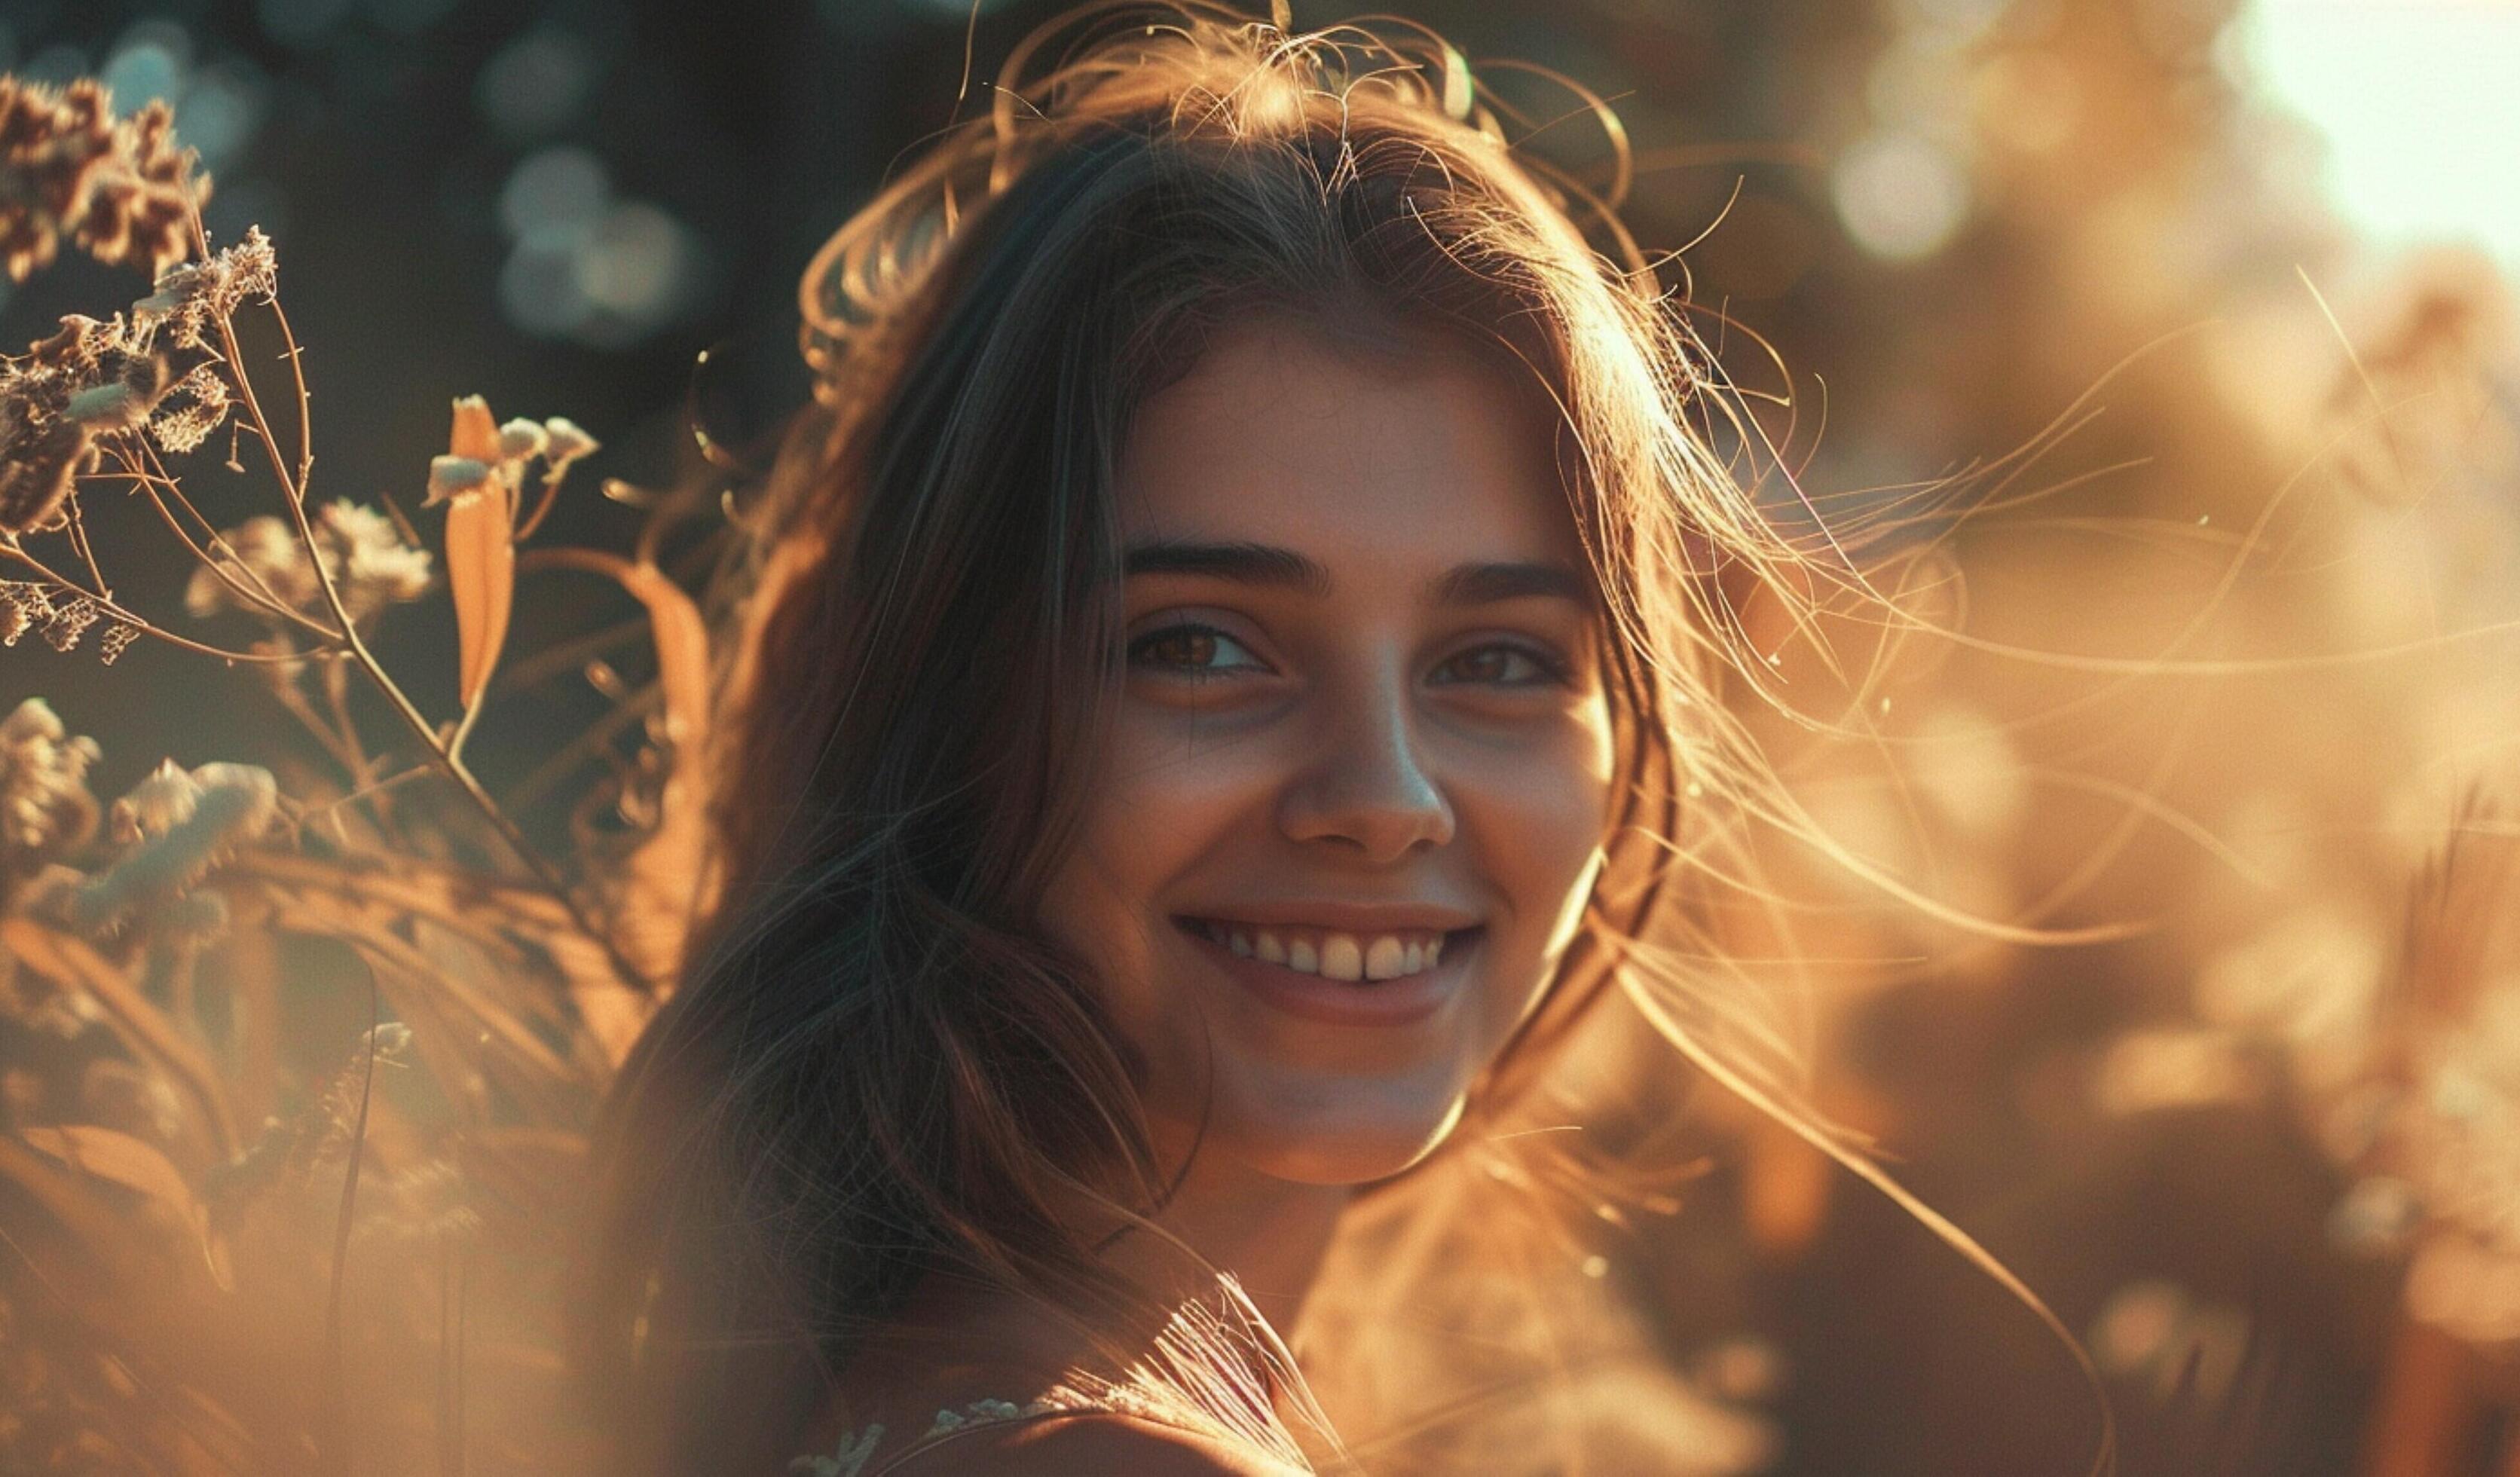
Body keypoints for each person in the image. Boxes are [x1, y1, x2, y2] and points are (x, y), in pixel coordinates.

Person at [576, 8, 1966, 1472]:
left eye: (1498, 660)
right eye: (1202, 646)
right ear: (938, 694)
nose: (1384, 796)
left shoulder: (878, 1391)